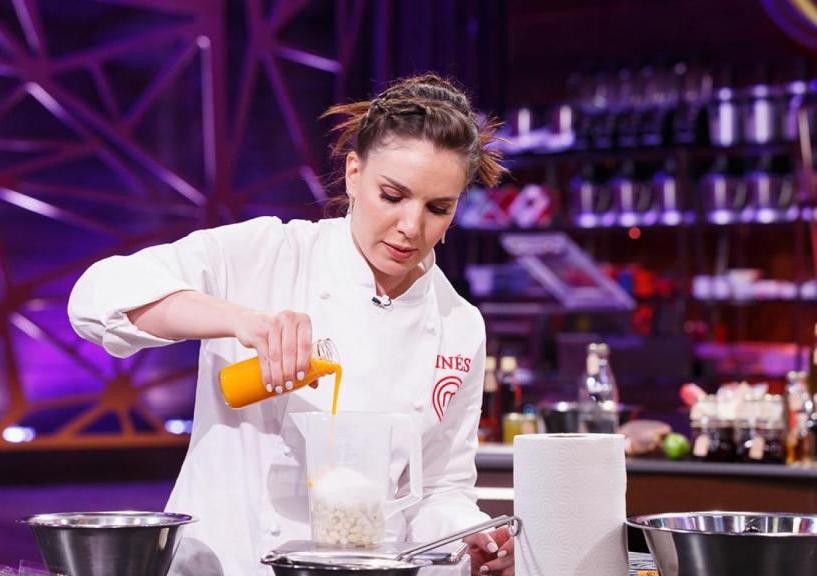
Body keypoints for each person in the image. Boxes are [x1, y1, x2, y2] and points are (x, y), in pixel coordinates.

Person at [68, 72, 513, 576]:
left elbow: (438, 489)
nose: (412, 227)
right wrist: (240, 321)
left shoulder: (458, 324)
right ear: (352, 173)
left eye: (438, 208)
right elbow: (95, 299)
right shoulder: (269, 255)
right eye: (392, 196)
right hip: (227, 564)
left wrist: (473, 538)